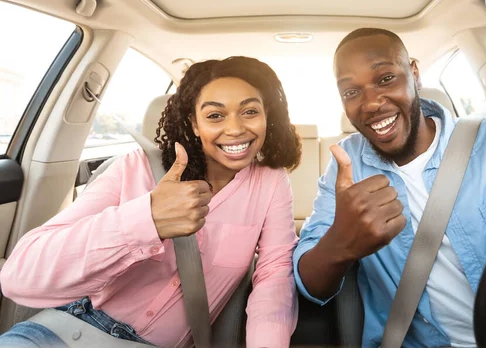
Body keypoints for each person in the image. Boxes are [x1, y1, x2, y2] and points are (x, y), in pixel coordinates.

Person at [293, 28, 486, 348]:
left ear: (414, 74)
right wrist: (341, 242)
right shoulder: (346, 168)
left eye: (385, 78)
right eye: (351, 92)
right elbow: (310, 285)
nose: (371, 103)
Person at [0, 57, 302, 347]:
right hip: (67, 330)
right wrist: (147, 219)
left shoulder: (270, 182)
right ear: (194, 124)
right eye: (215, 115)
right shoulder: (135, 167)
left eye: (250, 112)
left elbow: (274, 278)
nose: (235, 129)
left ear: (267, 117)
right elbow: (18, 277)